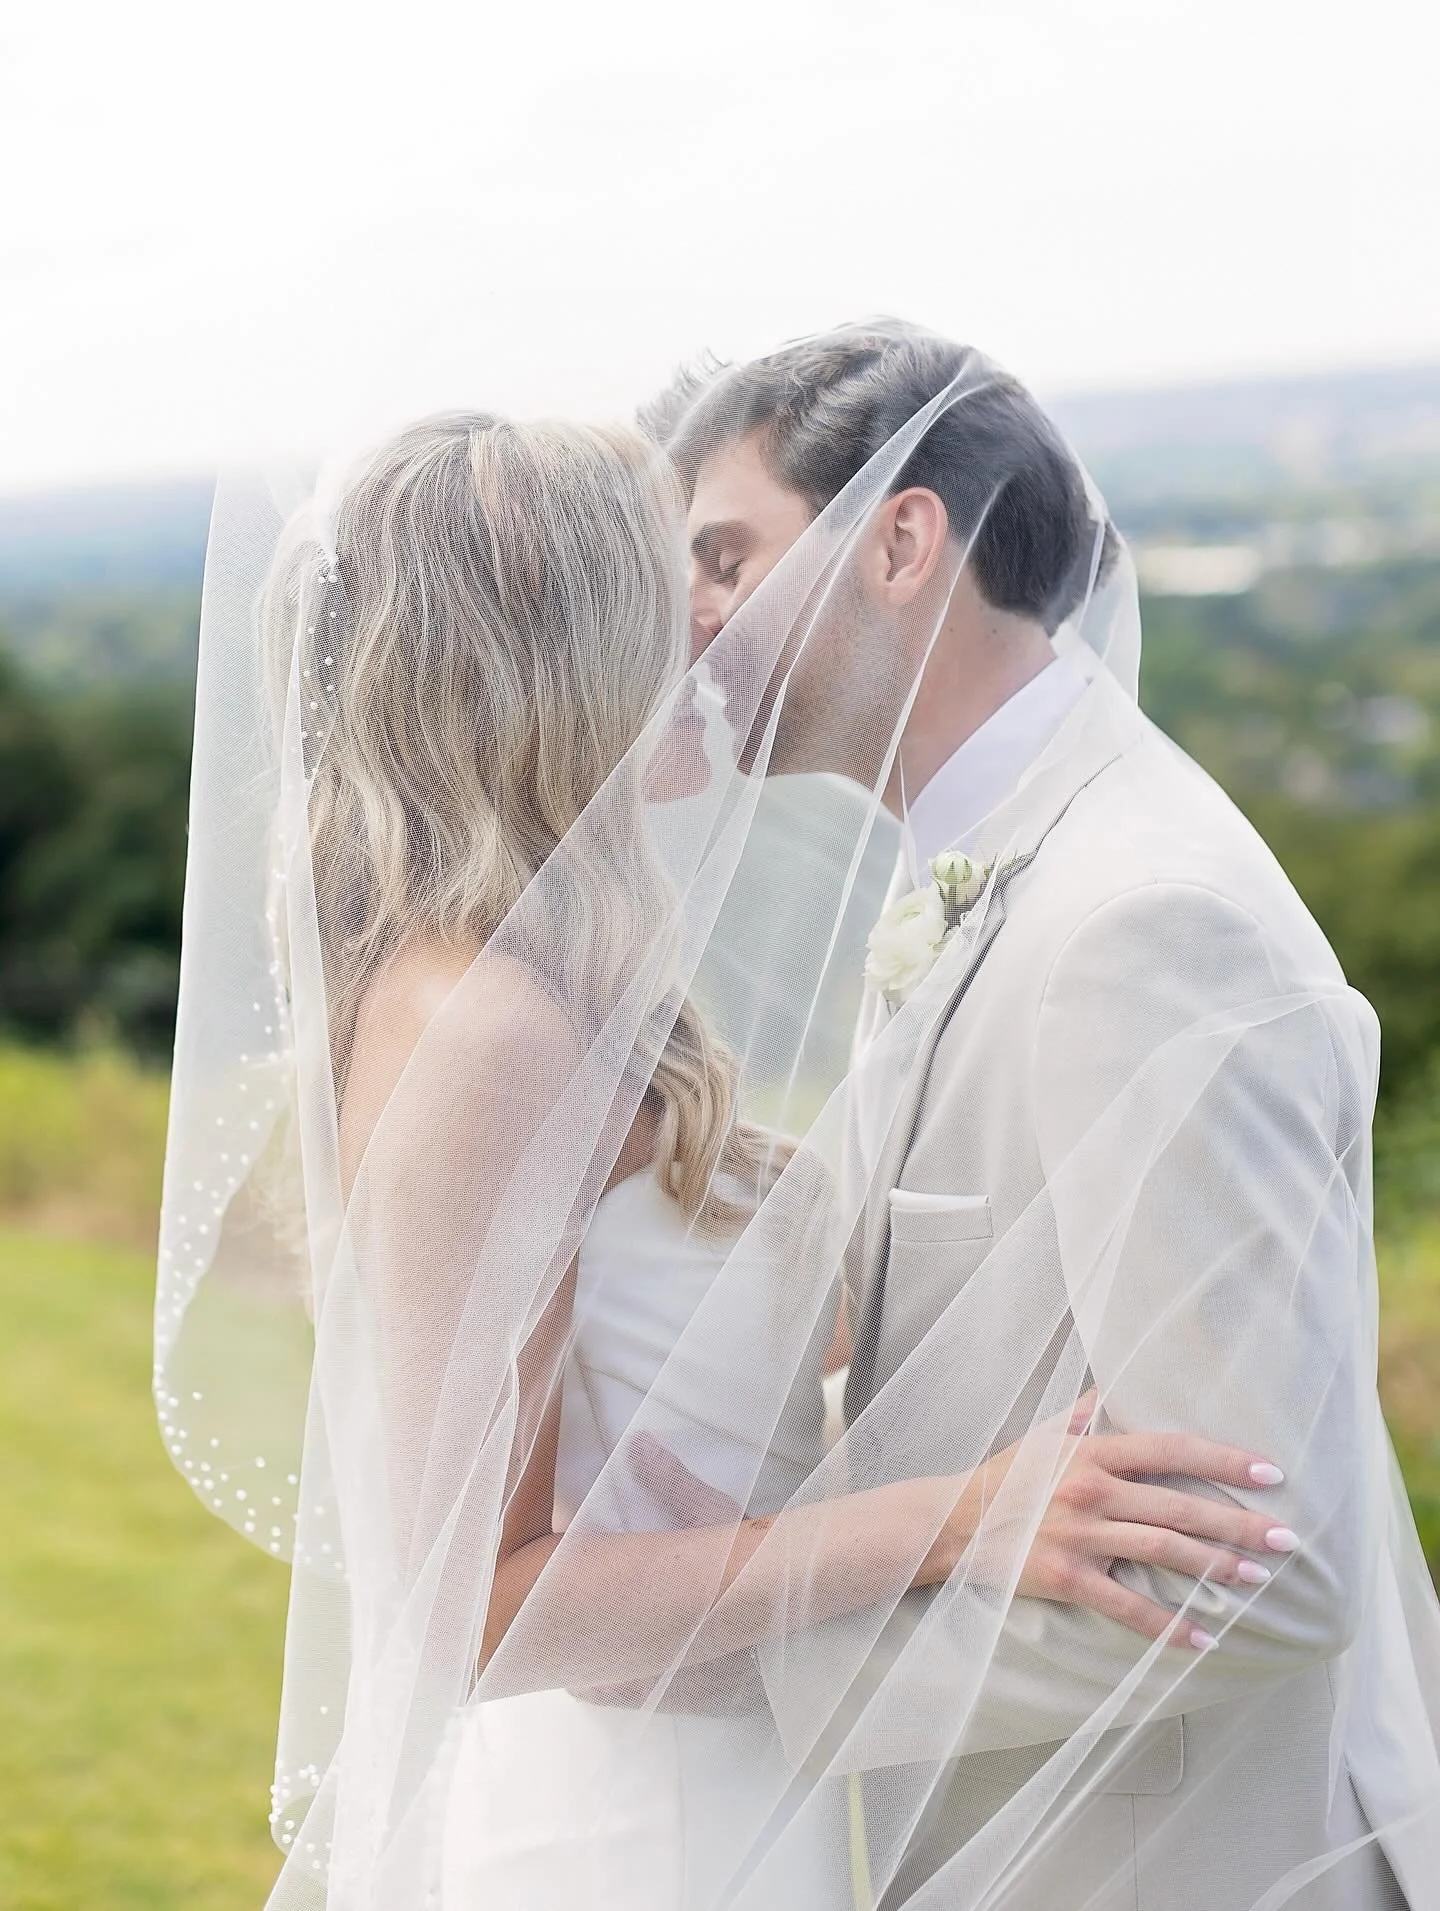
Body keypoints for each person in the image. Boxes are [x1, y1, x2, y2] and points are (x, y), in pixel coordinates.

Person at [645, 322, 1434, 1908]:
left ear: (902, 541)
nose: (689, 615)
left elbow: (1270, 1577)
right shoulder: (997, 859)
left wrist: (757, 1661)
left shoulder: (1143, 921)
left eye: (723, 555)